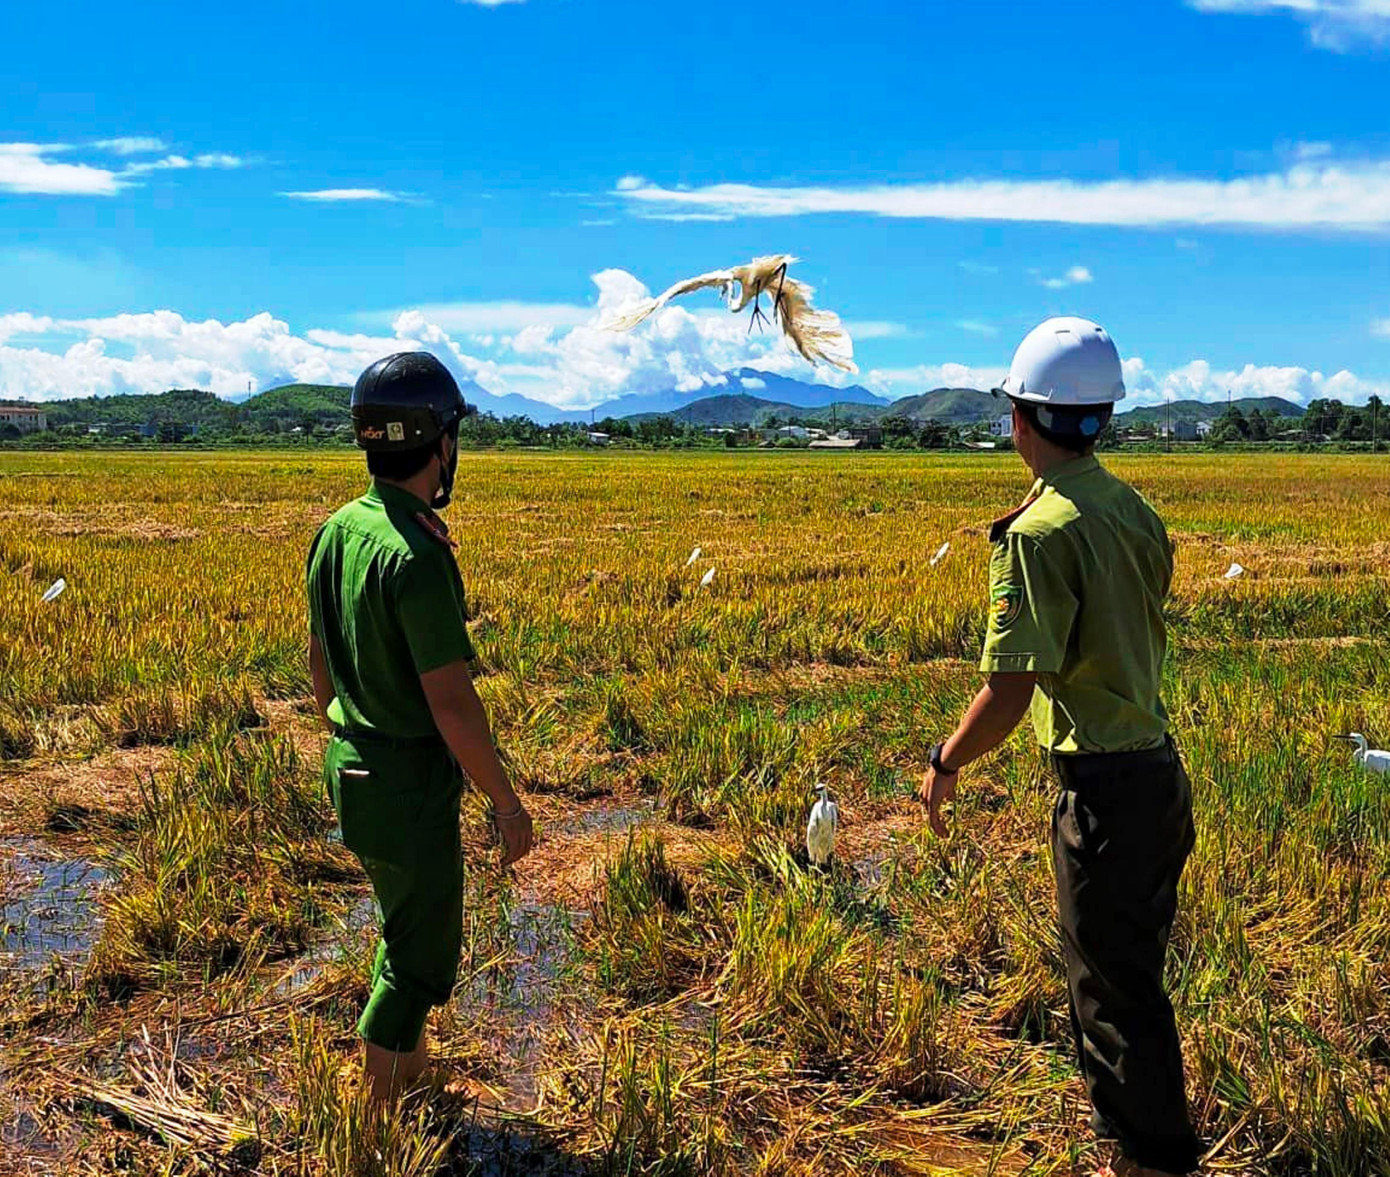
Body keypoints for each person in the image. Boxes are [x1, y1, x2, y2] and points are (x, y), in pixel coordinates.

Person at [919, 318, 1202, 1177]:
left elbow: (1009, 691)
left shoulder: (1039, 536)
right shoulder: (1133, 509)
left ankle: (1152, 1161)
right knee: (1133, 978)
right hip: (1158, 777)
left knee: (1111, 999)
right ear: (1100, 418)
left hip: (1106, 799)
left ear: (1020, 420)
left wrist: (944, 763)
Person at [305, 351, 534, 1102]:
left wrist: (354, 735)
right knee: (420, 961)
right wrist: (506, 801)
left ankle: (407, 1082)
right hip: (405, 784)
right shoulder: (417, 553)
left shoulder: (339, 530)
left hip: (354, 767)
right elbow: (453, 703)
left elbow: (320, 671)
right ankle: (381, 1113)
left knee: (402, 929)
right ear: (439, 441)